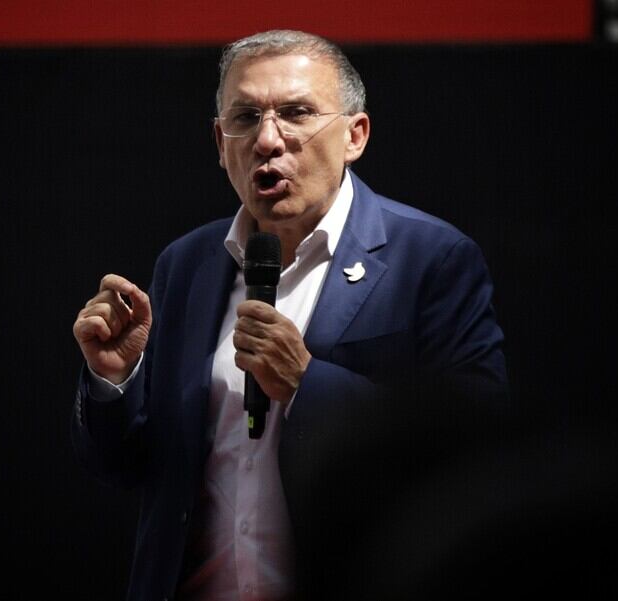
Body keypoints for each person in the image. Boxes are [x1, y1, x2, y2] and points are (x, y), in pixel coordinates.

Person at [71, 29, 508, 601]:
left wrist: (307, 382)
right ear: (219, 143)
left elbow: (474, 454)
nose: (268, 140)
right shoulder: (186, 265)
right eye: (246, 117)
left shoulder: (430, 259)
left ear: (356, 134)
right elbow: (127, 468)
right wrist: (113, 379)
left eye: (296, 113)